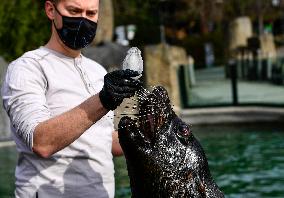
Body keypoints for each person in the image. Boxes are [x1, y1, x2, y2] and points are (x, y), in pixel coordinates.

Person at [1, 0, 141, 197]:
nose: (83, 19)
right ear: (51, 10)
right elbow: (41, 142)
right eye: (74, 10)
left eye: (91, 13)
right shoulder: (27, 68)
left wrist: (148, 133)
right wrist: (103, 100)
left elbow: (103, 141)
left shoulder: (97, 70)